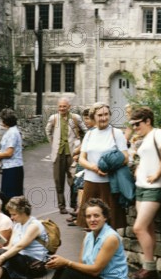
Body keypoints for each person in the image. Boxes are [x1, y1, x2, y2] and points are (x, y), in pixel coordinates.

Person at [128, 107, 161, 279]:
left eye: (137, 124)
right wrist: (140, 169)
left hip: (155, 187)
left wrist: (157, 172)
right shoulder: (144, 138)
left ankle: (149, 267)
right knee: (147, 228)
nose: (134, 127)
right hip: (141, 186)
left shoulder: (158, 133)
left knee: (138, 227)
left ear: (148, 121)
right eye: (132, 124)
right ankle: (149, 267)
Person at [76, 102, 128, 230]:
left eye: (106, 114)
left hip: (109, 184)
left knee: (110, 224)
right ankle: (92, 249)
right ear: (94, 117)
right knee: (89, 225)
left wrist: (109, 167)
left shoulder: (116, 133)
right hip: (91, 183)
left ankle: (110, 249)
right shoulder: (89, 134)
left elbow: (125, 158)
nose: (103, 118)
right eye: (100, 115)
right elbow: (81, 159)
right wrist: (94, 168)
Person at [45, 97, 87, 215]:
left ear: (69, 107)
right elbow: (47, 131)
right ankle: (61, 206)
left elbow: (86, 131)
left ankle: (74, 205)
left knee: (73, 180)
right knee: (59, 181)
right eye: (60, 106)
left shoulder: (75, 118)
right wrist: (53, 143)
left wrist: (81, 146)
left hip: (72, 153)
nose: (62, 108)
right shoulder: (54, 118)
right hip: (58, 153)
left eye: (64, 106)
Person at [67, 108, 95, 226]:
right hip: (82, 164)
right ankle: (78, 213)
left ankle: (80, 215)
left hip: (87, 165)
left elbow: (85, 148)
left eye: (88, 118)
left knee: (82, 190)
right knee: (79, 188)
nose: (86, 121)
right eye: (84, 119)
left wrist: (75, 153)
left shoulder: (93, 132)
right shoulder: (89, 131)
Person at [0, 109, 24, 199]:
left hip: (12, 169)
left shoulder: (12, 133)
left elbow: (9, 153)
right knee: (9, 196)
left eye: (2, 119)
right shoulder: (11, 131)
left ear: (6, 121)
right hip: (10, 168)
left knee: (10, 197)